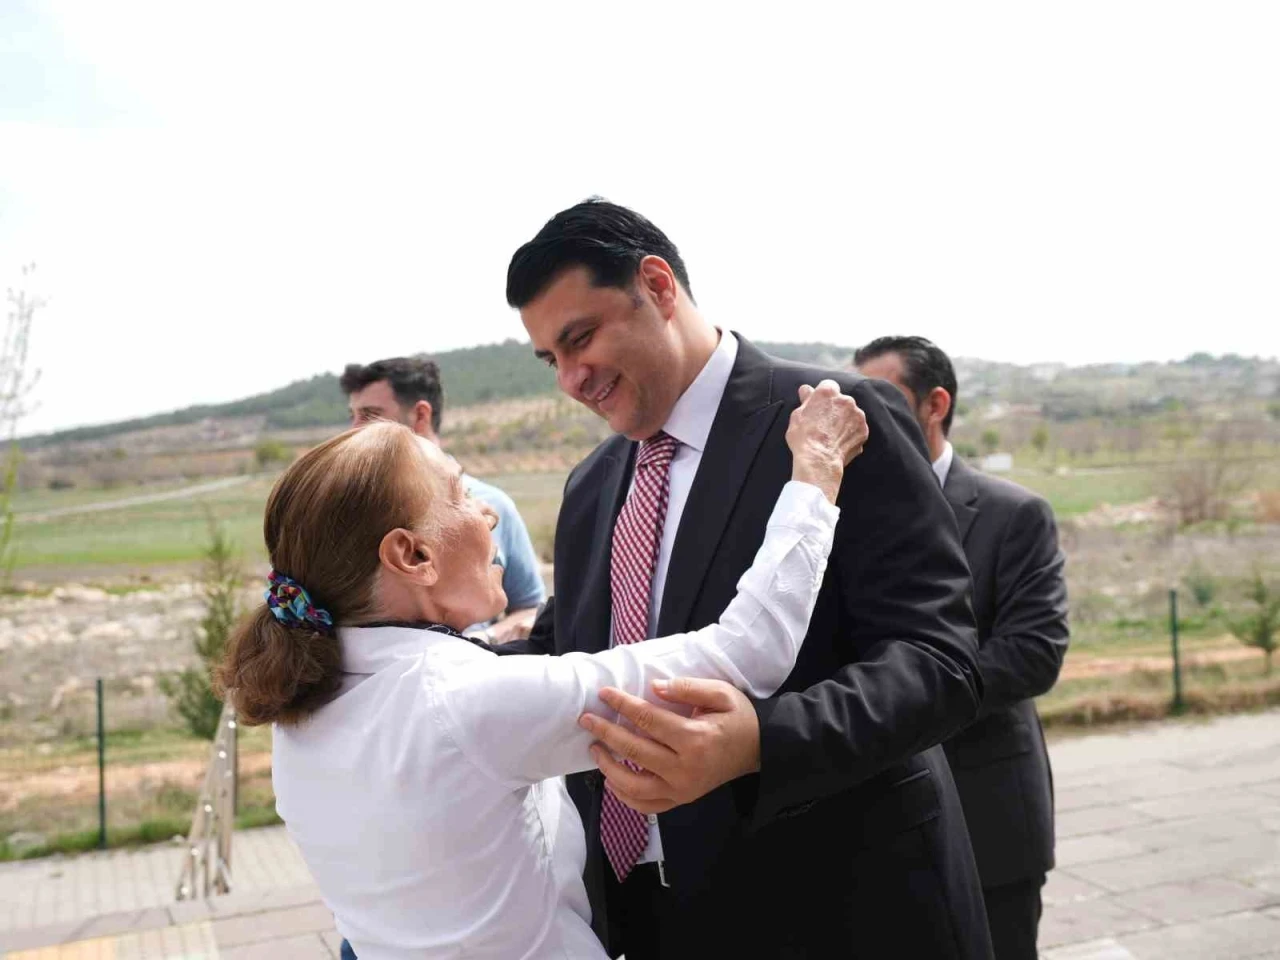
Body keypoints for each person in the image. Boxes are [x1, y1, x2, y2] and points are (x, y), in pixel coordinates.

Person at [501, 199, 993, 959]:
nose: (571, 379)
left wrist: (761, 741)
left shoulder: (835, 419)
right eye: (550, 360)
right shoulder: (591, 485)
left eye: (580, 338)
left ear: (657, 286)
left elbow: (940, 663)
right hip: (648, 920)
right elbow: (566, 650)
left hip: (842, 909)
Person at [217, 388, 867, 959]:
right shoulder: (463, 700)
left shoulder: (301, 715)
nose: (488, 513)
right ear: (412, 555)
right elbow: (749, 650)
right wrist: (816, 472)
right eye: (460, 493)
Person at [856, 335, 1070, 960]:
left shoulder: (1015, 515)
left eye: (883, 398)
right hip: (873, 824)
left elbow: (1033, 652)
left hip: (988, 817)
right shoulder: (839, 514)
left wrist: (896, 700)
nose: (864, 415)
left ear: (935, 405)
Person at [339, 355, 545, 642]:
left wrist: (482, 641)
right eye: (353, 416)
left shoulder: (495, 504)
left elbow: (529, 608)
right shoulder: (348, 510)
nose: (354, 429)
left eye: (370, 415)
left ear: (421, 415)